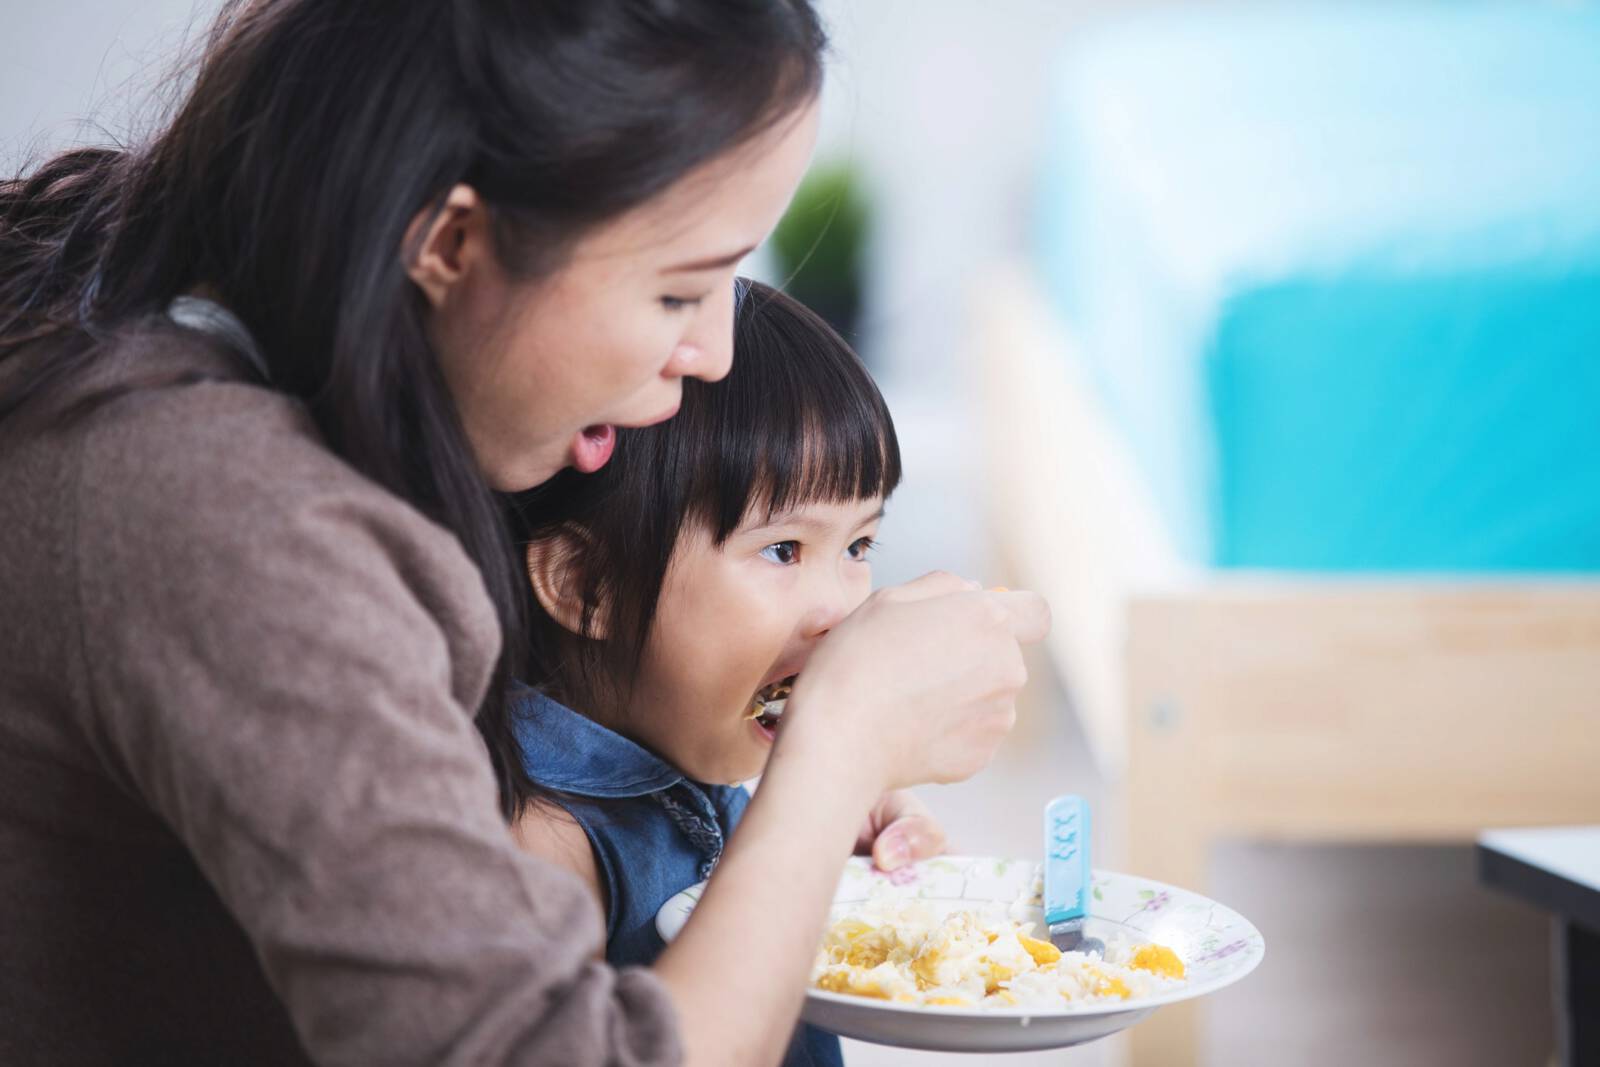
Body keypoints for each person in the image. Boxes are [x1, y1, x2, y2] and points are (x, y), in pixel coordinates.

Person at [0, 3, 1049, 1066]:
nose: (716, 353)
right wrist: (839, 744)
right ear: (449, 242)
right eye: (678, 287)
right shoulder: (223, 519)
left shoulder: (214, 338)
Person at [509, 279, 907, 1067]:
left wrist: (834, 820)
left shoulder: (691, 747)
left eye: (859, 547)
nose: (839, 609)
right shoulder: (542, 841)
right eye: (782, 549)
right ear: (587, 585)